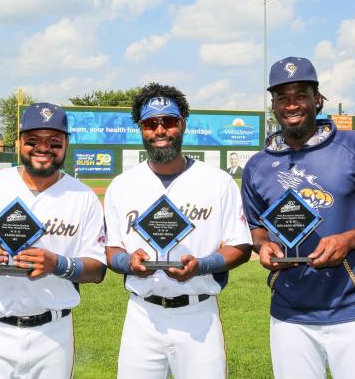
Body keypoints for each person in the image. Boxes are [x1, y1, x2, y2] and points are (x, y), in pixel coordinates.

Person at [241, 57, 355, 379]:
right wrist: (261, 246)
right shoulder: (257, 165)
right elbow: (255, 227)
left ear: (317, 100)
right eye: (282, 97)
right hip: (290, 314)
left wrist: (348, 240)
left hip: (354, 310)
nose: (292, 105)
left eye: (300, 95)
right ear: (274, 105)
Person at [0, 103, 106, 378]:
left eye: (53, 141)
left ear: (66, 143)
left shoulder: (83, 197)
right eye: (33, 140)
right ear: (19, 143)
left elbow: (98, 270)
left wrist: (57, 264)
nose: (43, 148)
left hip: (54, 334)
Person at [104, 83, 252, 379]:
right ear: (141, 129)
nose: (160, 131)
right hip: (142, 315)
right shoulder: (122, 185)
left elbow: (241, 246)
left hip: (198, 315)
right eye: (151, 123)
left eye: (169, 121)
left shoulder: (217, 182)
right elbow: (111, 250)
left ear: (182, 123)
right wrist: (128, 263)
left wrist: (201, 266)